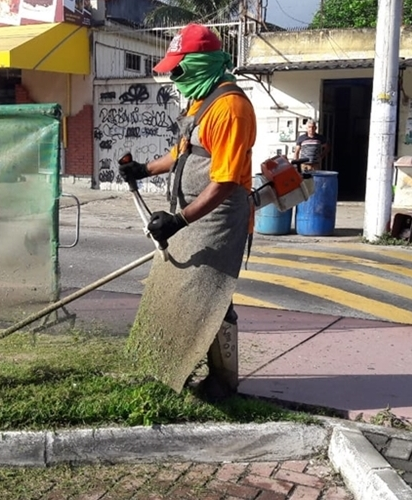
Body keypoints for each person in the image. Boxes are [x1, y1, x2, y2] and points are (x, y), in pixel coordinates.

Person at [118, 23, 256, 400]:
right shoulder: (202, 100)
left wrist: (179, 220)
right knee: (180, 288)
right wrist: (143, 169)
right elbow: (184, 153)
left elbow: (225, 181)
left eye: (178, 70)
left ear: (200, 65)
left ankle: (223, 381)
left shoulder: (231, 108)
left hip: (219, 216)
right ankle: (166, 366)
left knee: (210, 293)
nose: (174, 78)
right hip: (194, 212)